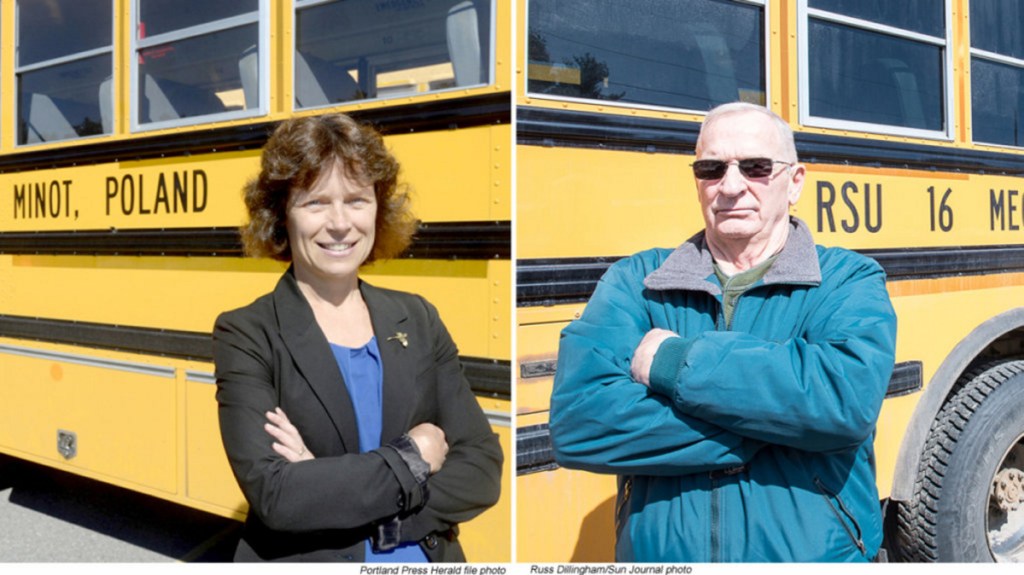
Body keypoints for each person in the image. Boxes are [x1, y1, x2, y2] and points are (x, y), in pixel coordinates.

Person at [549, 102, 897, 562]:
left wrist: (674, 364)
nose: (731, 186)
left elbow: (843, 402)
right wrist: (773, 424)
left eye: (756, 168)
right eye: (711, 169)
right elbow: (579, 423)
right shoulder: (638, 281)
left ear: (795, 183)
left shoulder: (847, 278)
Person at [213, 113, 503, 562]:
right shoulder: (248, 332)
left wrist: (340, 491)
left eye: (356, 200)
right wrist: (413, 458)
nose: (340, 223)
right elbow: (277, 495)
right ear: (280, 215)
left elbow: (482, 468)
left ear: (378, 208)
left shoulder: (417, 317)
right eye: (315, 203)